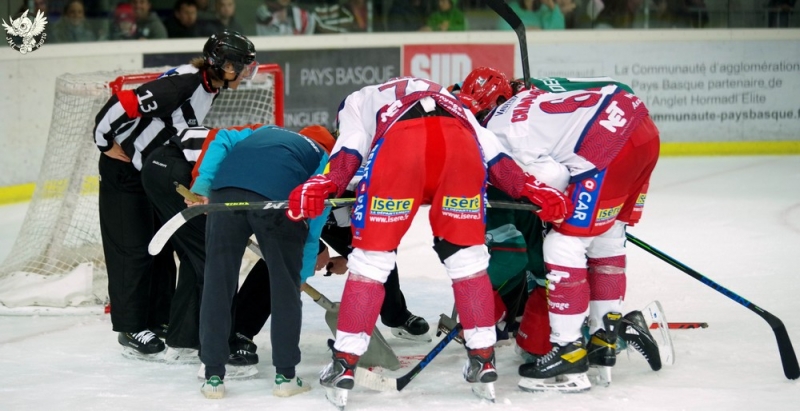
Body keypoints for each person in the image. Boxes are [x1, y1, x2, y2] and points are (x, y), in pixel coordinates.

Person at [286, 76, 571, 405]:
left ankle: (344, 363)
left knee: (371, 263)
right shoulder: (445, 96)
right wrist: (529, 187)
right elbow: (494, 155)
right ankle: (483, 358)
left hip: (400, 149)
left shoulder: (357, 100)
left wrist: (326, 182)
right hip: (459, 148)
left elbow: (350, 148)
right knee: (468, 262)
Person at [458, 67, 661, 392]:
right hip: (641, 129)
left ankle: (570, 357)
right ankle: (603, 341)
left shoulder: (496, 132)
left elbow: (552, 178)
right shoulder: (530, 95)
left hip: (607, 148)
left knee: (562, 246)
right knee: (607, 242)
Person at [93, 30, 256, 360]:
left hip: (149, 172)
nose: (246, 73)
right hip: (123, 173)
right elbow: (120, 106)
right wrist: (104, 142)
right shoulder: (184, 83)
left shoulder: (209, 86)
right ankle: (131, 327)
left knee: (162, 248)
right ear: (222, 65)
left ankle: (159, 319)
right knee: (133, 248)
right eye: (242, 66)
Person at [186, 124, 336, 399]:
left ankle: (213, 377)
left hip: (225, 194)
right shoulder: (324, 158)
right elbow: (313, 225)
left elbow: (222, 137)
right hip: (279, 202)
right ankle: (286, 377)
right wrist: (298, 277)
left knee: (217, 283)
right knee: (283, 290)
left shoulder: (265, 131)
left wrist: (204, 186)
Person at [496, 0, 567, 30]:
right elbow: (503, 29)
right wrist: (526, 30)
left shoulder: (544, 10)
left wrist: (552, 6)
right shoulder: (511, 8)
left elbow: (557, 33)